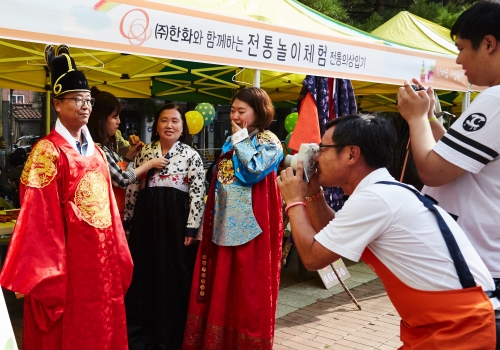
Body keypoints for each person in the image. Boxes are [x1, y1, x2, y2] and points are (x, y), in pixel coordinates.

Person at [277, 114, 499, 349]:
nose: (316, 157)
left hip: (464, 326)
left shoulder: (376, 198)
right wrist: (313, 194)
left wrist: (294, 200)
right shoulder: (383, 192)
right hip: (450, 321)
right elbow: (329, 237)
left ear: (352, 154)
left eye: (322, 148)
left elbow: (314, 257)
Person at [0, 45, 133, 349]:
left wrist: (118, 254)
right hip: (69, 269)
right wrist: (51, 278)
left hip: (102, 266)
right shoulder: (48, 152)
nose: (85, 106)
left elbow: (109, 210)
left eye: (88, 100)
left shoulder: (97, 151)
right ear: (57, 105)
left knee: (103, 328)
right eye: (77, 99)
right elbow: (38, 221)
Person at [396, 0, 500, 330]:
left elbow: (432, 170)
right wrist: (428, 118)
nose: (458, 60)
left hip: (478, 262)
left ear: (489, 43)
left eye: (461, 48)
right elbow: (455, 158)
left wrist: (414, 119)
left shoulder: (495, 99)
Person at [183, 87, 284, 350]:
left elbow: (253, 171)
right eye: (233, 111)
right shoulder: (232, 140)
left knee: (247, 286)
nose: (235, 116)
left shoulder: (270, 141)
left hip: (253, 224)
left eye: (242, 111)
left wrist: (240, 138)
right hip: (223, 223)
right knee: (222, 284)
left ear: (258, 112)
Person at [124, 104, 206, 350]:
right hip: (146, 218)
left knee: (173, 275)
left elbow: (197, 192)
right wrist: (128, 220)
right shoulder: (145, 153)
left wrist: (192, 228)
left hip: (176, 220)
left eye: (175, 121)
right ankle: (142, 334)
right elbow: (132, 188)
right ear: (156, 126)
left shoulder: (191, 155)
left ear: (183, 128)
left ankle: (171, 335)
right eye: (163, 120)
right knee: (144, 272)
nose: (169, 125)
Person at [87, 87, 167, 219]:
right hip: (106, 213)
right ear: (101, 119)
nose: (119, 121)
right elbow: (122, 179)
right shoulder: (98, 148)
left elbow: (117, 170)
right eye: (114, 117)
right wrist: (149, 164)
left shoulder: (106, 146)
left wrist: (129, 156)